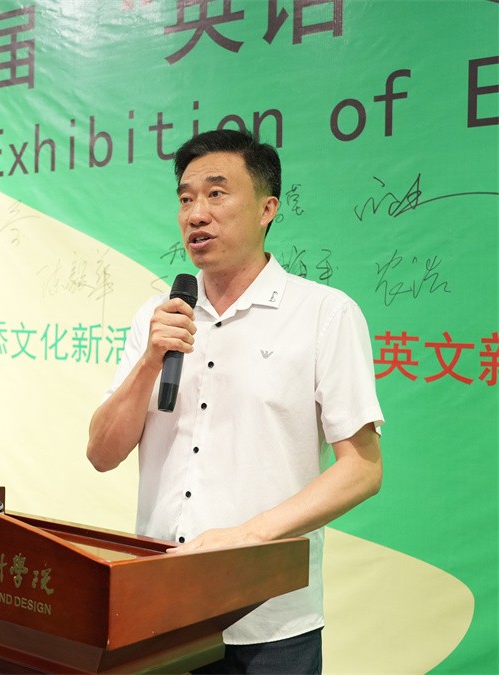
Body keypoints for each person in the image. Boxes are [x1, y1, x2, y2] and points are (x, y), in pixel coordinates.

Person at [86, 129, 383, 674]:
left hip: (268, 624)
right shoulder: (158, 316)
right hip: (158, 612)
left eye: (216, 194)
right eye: (185, 198)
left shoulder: (324, 313)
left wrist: (246, 537)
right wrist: (150, 360)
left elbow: (362, 470)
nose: (196, 214)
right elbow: (102, 454)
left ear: (268, 208)